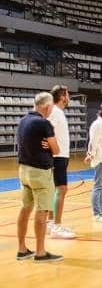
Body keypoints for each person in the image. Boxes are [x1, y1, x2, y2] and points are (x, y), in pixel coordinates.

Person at [16, 92, 63, 262]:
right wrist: (49, 145)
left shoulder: (23, 121)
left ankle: (21, 249)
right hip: (41, 172)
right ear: (47, 106)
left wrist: (45, 144)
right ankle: (41, 252)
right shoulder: (44, 123)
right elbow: (56, 149)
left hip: (24, 170)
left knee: (25, 208)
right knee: (42, 211)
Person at [47, 85, 75, 239]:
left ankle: (51, 222)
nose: (69, 97)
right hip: (57, 157)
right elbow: (46, 130)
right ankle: (56, 227)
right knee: (61, 189)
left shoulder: (58, 113)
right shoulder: (55, 112)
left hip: (61, 156)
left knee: (56, 190)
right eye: (68, 94)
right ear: (62, 96)